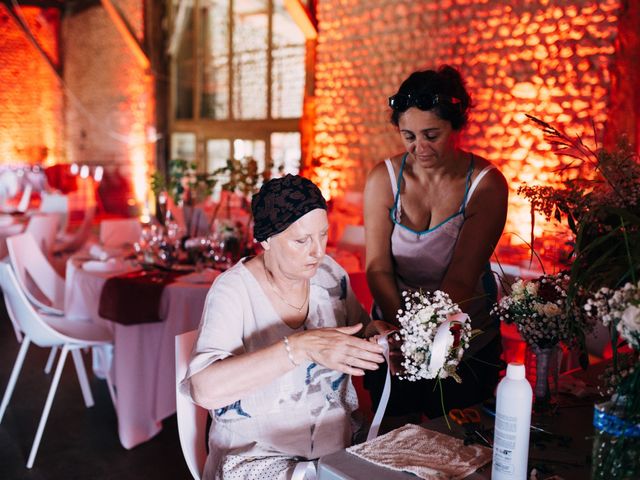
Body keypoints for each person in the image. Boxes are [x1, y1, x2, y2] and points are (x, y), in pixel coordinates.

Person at [180, 174, 385, 480]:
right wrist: (300, 347)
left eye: (323, 235)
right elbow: (204, 389)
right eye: (302, 240)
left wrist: (381, 337)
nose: (317, 251)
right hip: (256, 457)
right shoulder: (233, 290)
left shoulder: (330, 275)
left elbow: (359, 334)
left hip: (336, 448)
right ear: (265, 240)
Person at [363, 65, 509, 425]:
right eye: (408, 135)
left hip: (465, 339)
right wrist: (402, 335)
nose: (420, 148)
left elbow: (461, 276)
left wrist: (429, 339)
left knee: (457, 446)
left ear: (458, 126)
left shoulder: (486, 185)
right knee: (392, 440)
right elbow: (377, 266)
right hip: (395, 329)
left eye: (432, 134)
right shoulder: (383, 178)